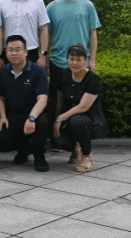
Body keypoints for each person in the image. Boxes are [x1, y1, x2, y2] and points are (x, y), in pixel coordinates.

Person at [46, 0, 101, 119]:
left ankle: (76, 130)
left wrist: (92, 60)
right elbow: (48, 34)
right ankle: (56, 127)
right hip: (58, 61)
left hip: (80, 62)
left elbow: (93, 34)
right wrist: (45, 56)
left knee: (79, 102)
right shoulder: (51, 7)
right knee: (56, 100)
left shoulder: (87, 5)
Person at [0, 35, 50, 172]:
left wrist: (32, 118)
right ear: (6, 52)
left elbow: (42, 99)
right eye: (10, 50)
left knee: (42, 123)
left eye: (18, 49)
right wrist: (2, 117)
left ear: (25, 52)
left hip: (35, 114)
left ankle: (39, 156)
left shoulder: (38, 71)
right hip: (14, 114)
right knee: (0, 135)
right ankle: (23, 149)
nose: (14, 53)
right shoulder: (3, 72)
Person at [53, 43, 109, 173]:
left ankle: (87, 156)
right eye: (71, 59)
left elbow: (83, 107)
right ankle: (76, 149)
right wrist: (56, 120)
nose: (74, 63)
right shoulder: (64, 74)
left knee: (77, 120)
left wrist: (60, 118)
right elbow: (60, 101)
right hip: (69, 117)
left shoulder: (93, 79)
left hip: (90, 119)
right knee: (59, 142)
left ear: (85, 60)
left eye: (79, 60)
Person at [0, 0, 50, 68]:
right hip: (9, 53)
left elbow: (44, 29)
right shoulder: (2, 3)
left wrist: (43, 54)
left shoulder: (38, 2)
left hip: (31, 52)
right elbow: (0, 31)